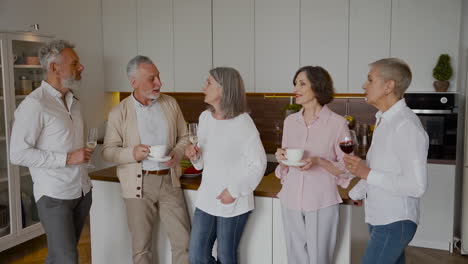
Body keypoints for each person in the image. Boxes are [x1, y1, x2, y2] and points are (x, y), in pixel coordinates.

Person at [9, 40, 92, 264]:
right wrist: (67, 158)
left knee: (60, 256)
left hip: (81, 191)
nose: (81, 67)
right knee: (68, 258)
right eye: (75, 63)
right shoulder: (34, 104)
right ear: (55, 68)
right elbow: (17, 153)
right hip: (55, 196)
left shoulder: (74, 101)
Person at [102, 55, 191, 264]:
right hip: (138, 184)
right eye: (152, 78)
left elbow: (185, 136)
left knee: (184, 242)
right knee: (141, 249)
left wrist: (177, 154)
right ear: (134, 82)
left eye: (158, 77)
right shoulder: (119, 112)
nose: (159, 83)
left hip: (169, 180)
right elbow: (108, 151)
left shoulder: (170, 103)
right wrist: (132, 153)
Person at [344, 58, 429, 264]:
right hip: (380, 218)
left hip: (395, 221)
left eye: (370, 80)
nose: (364, 85)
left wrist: (366, 173)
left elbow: (416, 187)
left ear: (388, 86)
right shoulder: (384, 120)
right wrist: (357, 192)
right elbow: (378, 169)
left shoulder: (406, 126)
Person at [185, 67, 266, 264]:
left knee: (226, 257)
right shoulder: (205, 118)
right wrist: (194, 156)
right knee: (197, 256)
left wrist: (234, 191)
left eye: (209, 82)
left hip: (234, 200)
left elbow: (259, 164)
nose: (204, 87)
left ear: (223, 89)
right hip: (207, 198)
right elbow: (202, 163)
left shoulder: (243, 122)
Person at [274, 66, 351, 264]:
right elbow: (286, 165)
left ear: (317, 87)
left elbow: (348, 167)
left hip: (321, 201)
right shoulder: (290, 122)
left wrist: (318, 161)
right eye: (295, 84)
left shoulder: (338, 123)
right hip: (290, 199)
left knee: (319, 259)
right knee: (295, 258)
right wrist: (281, 157)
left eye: (302, 84)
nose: (295, 89)